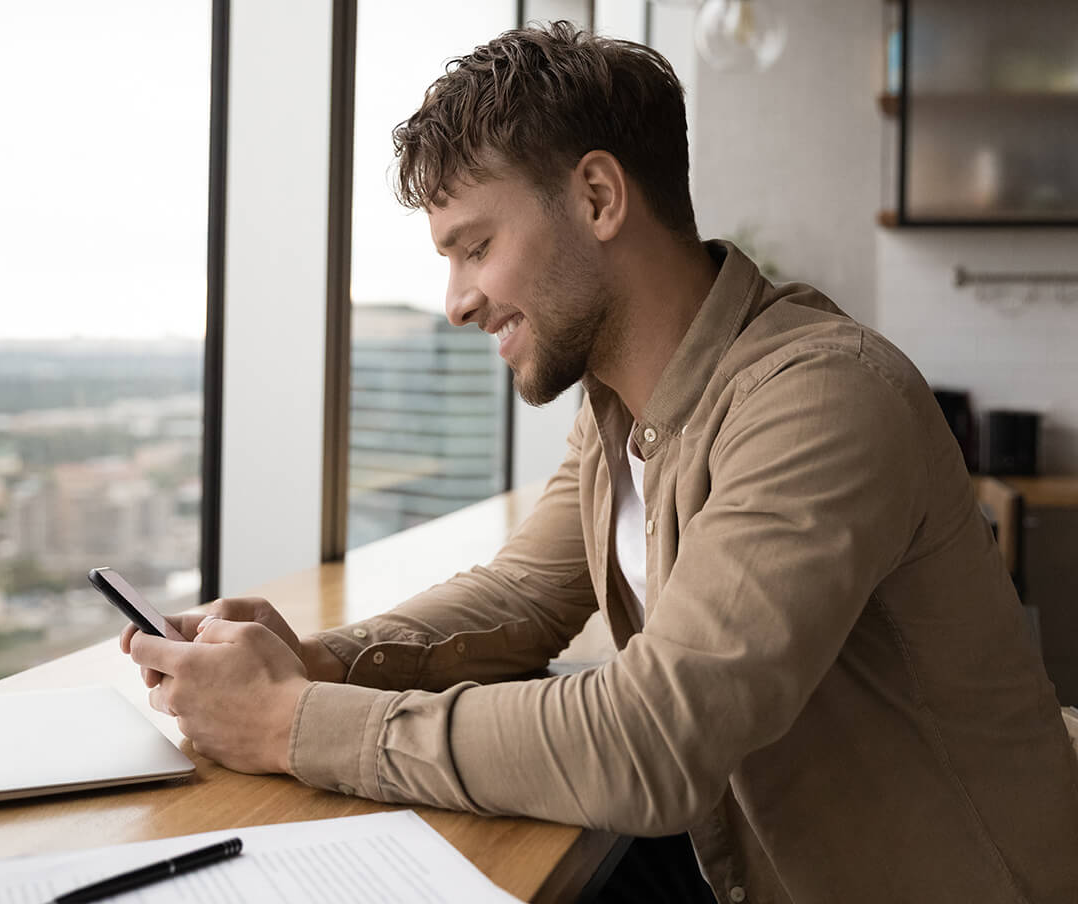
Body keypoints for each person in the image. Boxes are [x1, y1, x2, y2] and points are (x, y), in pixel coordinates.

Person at [123, 21, 1078, 903]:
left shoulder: (822, 397)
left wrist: (291, 723)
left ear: (597, 196)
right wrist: (312, 660)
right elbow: (523, 598)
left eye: (476, 247)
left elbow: (654, 741)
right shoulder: (624, 403)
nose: (455, 300)